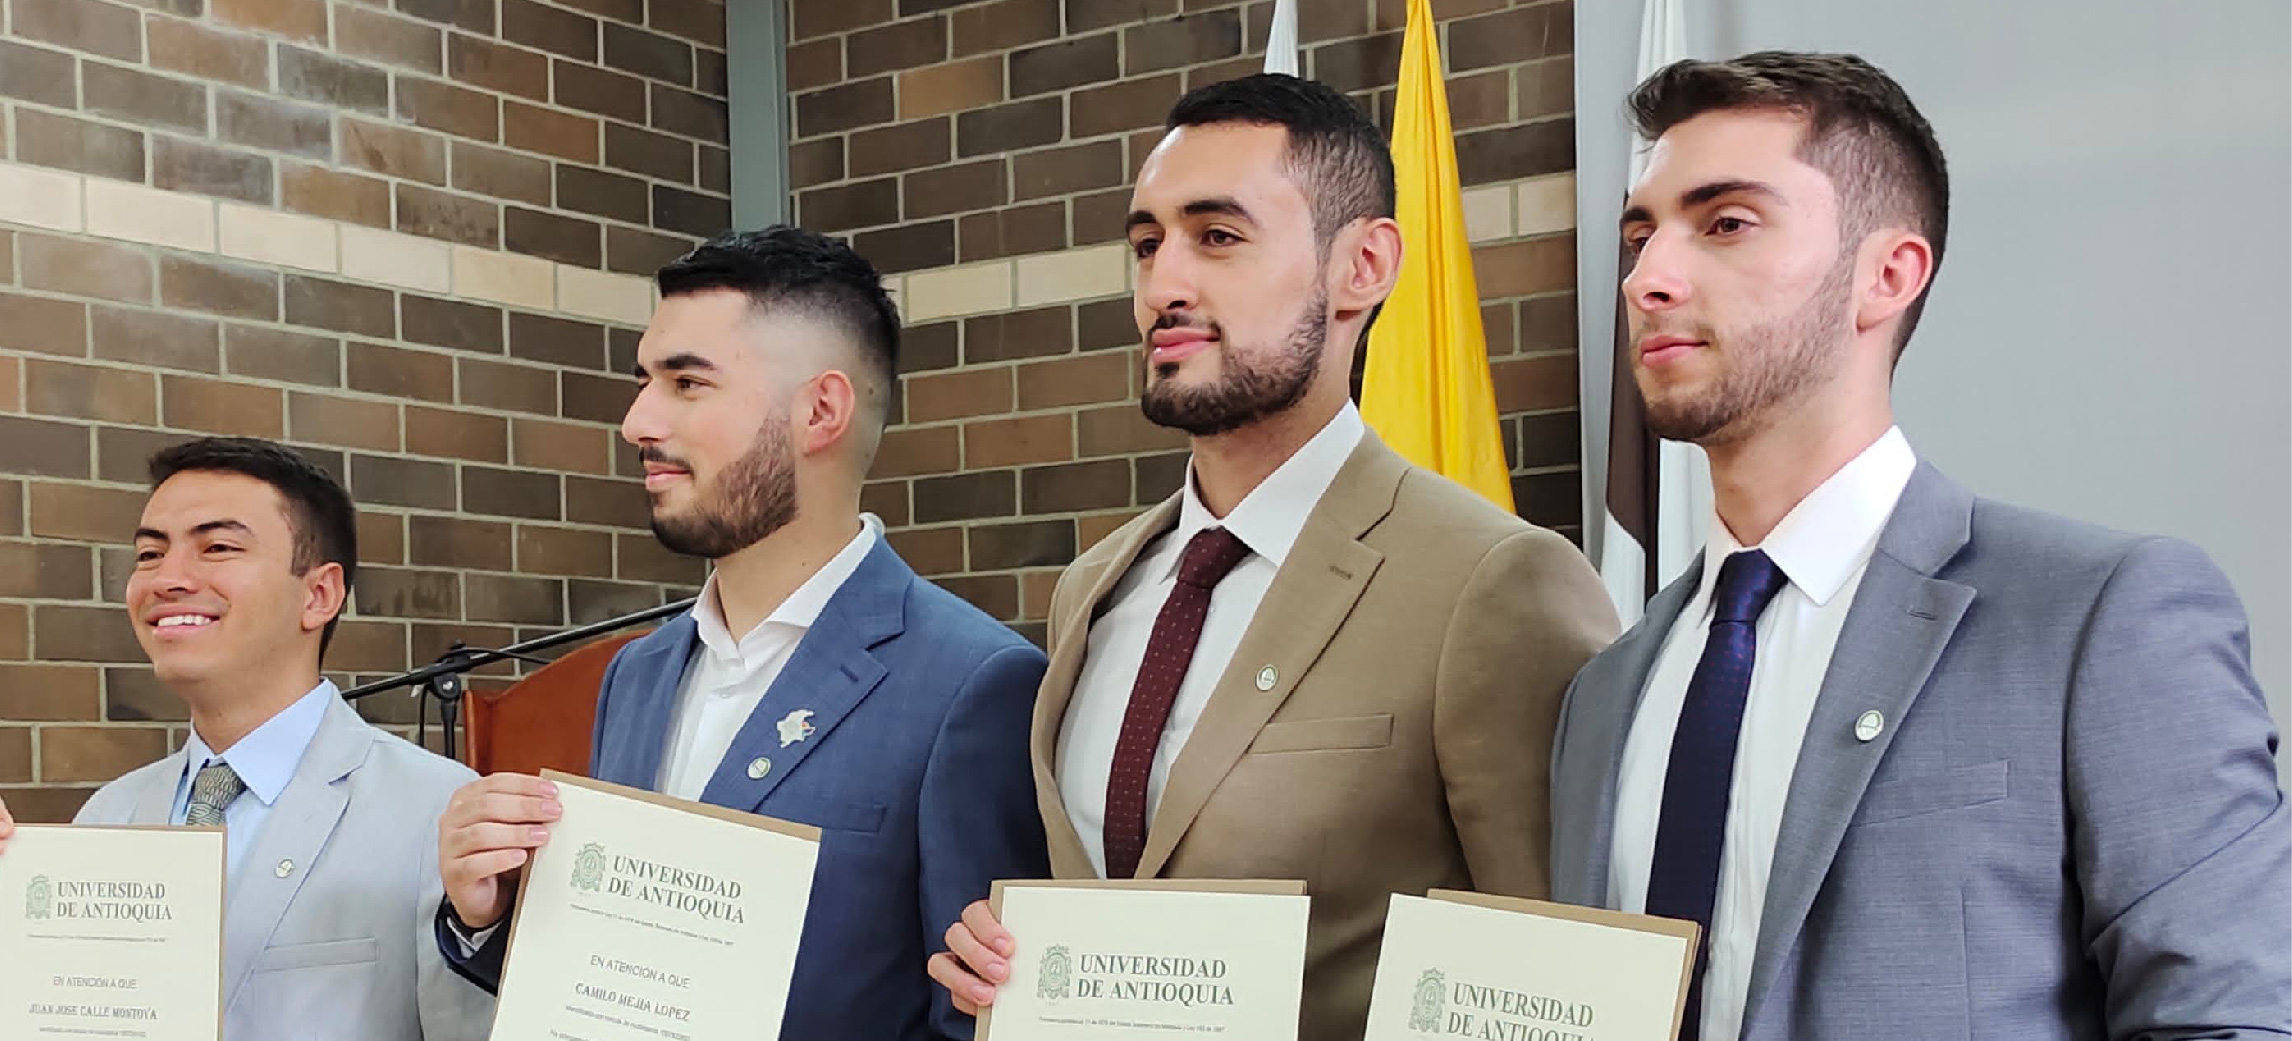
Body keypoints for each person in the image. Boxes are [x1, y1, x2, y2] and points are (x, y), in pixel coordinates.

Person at [1548, 51, 2290, 1041]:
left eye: (1724, 223)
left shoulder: (2100, 617)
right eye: (1640, 234)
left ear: (1887, 275)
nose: (1648, 278)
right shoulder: (1607, 691)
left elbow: (2226, 1020)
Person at [925, 74, 1621, 1040]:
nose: (1164, 283)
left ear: (1363, 265)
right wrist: (1008, 967)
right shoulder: (1095, 588)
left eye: (1217, 237)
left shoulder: (1494, 582)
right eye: (1146, 243)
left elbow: (1565, 986)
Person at [431, 227, 1049, 1041]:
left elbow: (979, 1020)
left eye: (687, 382)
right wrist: (491, 912)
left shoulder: (975, 682)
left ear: (820, 410)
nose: (637, 421)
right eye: (643, 380)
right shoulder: (637, 674)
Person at [0, 437, 493, 1040]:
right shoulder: (108, 816)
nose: (168, 579)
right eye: (150, 554)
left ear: (319, 594)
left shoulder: (438, 810)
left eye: (218, 547)